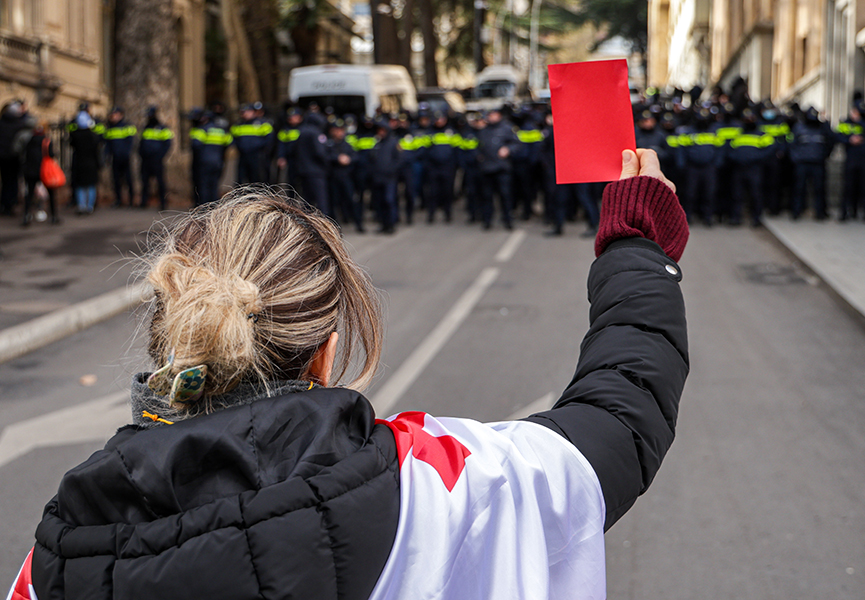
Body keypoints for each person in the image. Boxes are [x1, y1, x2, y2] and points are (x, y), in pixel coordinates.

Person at [8, 149, 688, 600]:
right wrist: (636, 245)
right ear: (325, 355)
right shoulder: (440, 487)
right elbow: (620, 417)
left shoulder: (54, 561)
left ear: (172, 340)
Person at [19, 122, 61, 226]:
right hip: (44, 171)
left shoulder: (29, 141)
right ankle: (54, 216)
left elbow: (24, 154)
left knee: (29, 194)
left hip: (31, 171)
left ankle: (26, 216)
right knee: (51, 194)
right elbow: (51, 155)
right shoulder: (46, 141)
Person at [139, 106, 173, 210]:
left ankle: (163, 203)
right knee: (145, 182)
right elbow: (141, 143)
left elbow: (168, 144)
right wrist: (141, 153)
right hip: (146, 160)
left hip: (157, 160)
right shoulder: (146, 127)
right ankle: (144, 201)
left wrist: (160, 156)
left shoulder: (163, 128)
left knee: (160, 183)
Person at [69, 109, 102, 215]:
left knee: (80, 186)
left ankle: (81, 205)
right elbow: (97, 151)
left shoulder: (75, 135)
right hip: (91, 164)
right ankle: (89, 206)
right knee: (91, 186)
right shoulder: (93, 136)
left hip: (79, 164)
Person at [104, 107, 137, 207]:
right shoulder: (109, 128)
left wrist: (126, 153)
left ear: (121, 115)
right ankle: (118, 200)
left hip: (125, 158)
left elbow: (131, 142)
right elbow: (108, 144)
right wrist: (107, 155)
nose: (113, 117)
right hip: (115, 158)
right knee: (116, 181)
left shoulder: (127, 126)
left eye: (115, 114)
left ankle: (131, 200)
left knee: (128, 180)